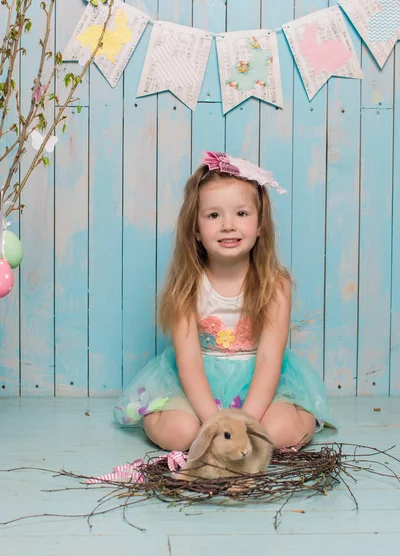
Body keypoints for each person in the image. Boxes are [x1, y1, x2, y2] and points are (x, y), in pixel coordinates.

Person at [113, 151, 337, 451]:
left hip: (260, 385)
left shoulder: (275, 285)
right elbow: (189, 362)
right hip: (198, 385)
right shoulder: (188, 286)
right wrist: (215, 425)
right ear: (195, 228)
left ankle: (298, 418)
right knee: (181, 433)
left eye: (241, 214)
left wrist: (244, 424)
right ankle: (159, 417)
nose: (228, 225)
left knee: (280, 431)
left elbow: (270, 360)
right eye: (213, 215)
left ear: (260, 225)